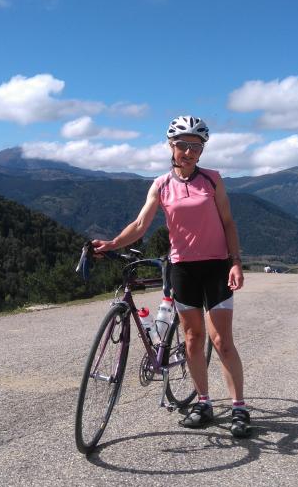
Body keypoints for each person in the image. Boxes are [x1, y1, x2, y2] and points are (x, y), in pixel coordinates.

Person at [92, 115, 251, 438]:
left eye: (196, 146)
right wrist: (111, 243)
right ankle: (203, 402)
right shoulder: (161, 185)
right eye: (182, 146)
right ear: (171, 147)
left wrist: (235, 262)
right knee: (192, 339)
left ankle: (238, 407)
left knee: (221, 341)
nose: (188, 152)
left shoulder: (213, 180)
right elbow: (140, 226)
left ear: (202, 150)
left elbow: (229, 223)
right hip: (182, 268)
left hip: (217, 265)